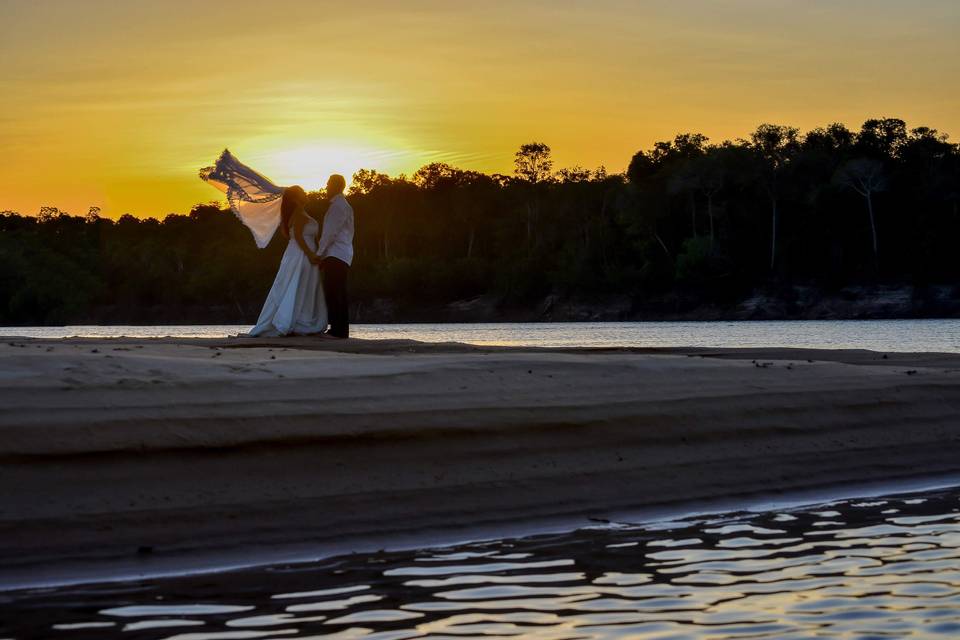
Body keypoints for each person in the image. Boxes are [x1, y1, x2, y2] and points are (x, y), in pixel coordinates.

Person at [247, 185, 328, 336]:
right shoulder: (298, 213)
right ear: (297, 199)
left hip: (302, 253)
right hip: (300, 255)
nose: (306, 194)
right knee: (296, 284)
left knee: (305, 285)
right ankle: (289, 321)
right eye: (303, 193)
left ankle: (301, 319)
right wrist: (310, 254)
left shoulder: (301, 213)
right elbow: (298, 237)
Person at [316, 174, 354, 338]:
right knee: (338, 291)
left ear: (336, 186)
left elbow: (330, 234)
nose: (326, 187)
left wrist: (319, 254)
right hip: (342, 253)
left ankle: (338, 330)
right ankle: (340, 329)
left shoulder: (337, 206)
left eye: (328, 184)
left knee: (334, 292)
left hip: (335, 254)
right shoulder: (344, 205)